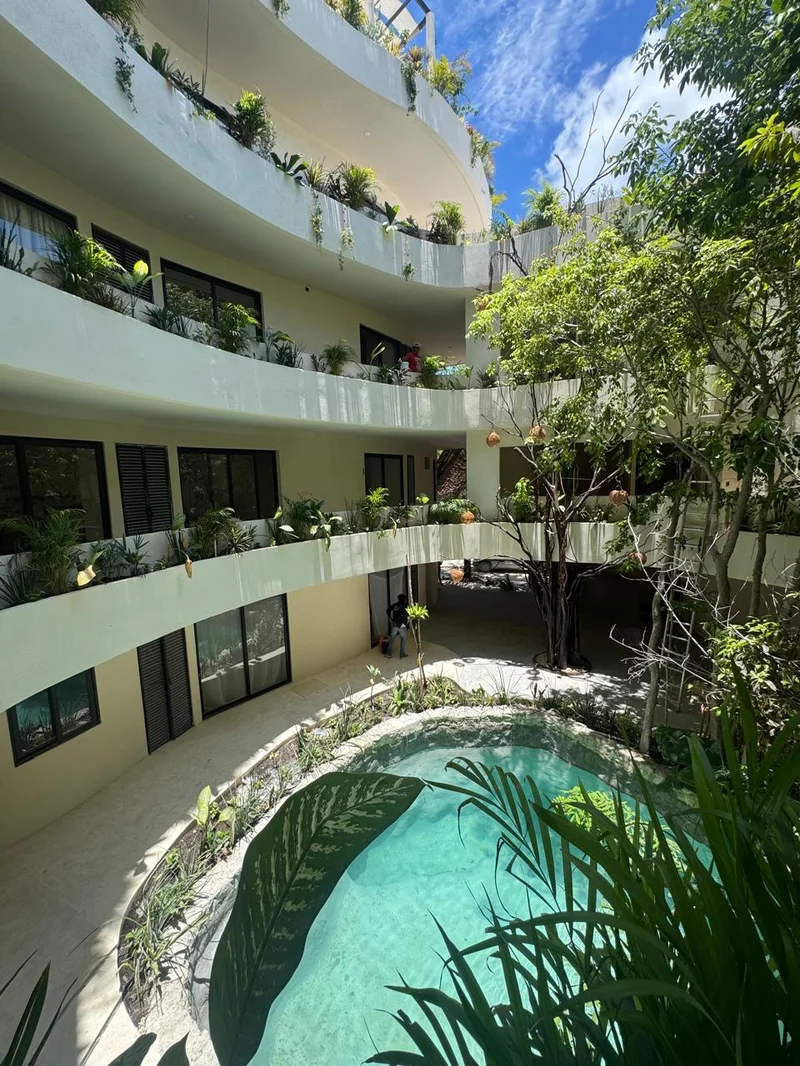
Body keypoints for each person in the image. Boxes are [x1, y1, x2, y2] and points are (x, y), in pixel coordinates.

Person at [383, 593, 409, 658]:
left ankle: (389, 654)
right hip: (402, 625)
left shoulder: (395, 605)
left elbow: (388, 610)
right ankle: (402, 654)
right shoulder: (405, 605)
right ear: (404, 599)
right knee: (403, 639)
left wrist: (390, 618)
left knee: (392, 639)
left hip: (395, 624)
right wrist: (406, 622)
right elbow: (408, 614)